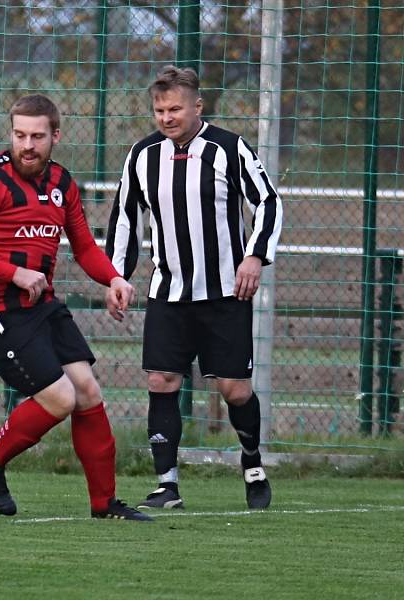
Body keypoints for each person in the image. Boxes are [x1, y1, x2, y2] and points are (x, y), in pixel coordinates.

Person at [0, 94, 152, 522]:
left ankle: (104, 505)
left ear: (56, 135)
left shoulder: (62, 184)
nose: (27, 145)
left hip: (40, 307)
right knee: (59, 397)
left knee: (88, 392)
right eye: (19, 135)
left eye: (37, 136)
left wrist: (113, 278)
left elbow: (85, 246)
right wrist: (11, 274)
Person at [106, 65, 283, 510]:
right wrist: (117, 276)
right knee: (161, 380)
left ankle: (252, 463)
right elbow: (126, 218)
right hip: (169, 293)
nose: (166, 117)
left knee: (234, 389)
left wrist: (254, 255)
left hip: (226, 292)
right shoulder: (142, 156)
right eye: (159, 110)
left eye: (175, 109)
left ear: (197, 106)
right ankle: (167, 484)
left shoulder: (228, 148)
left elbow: (267, 201)